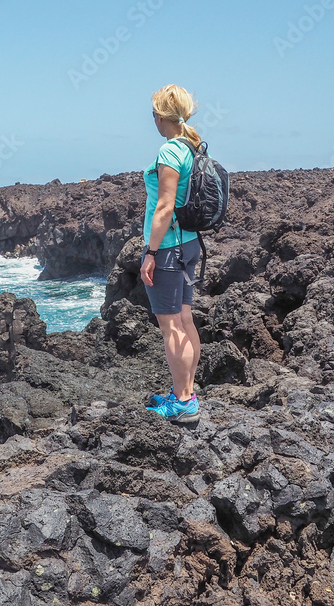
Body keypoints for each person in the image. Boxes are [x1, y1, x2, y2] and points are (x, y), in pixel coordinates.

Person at [140, 83, 204, 423]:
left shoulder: (169, 152)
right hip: (189, 243)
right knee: (184, 319)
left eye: (153, 113)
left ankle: (182, 402)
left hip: (167, 248)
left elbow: (164, 207)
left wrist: (151, 252)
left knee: (171, 326)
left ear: (161, 116)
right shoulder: (192, 147)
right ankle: (186, 391)